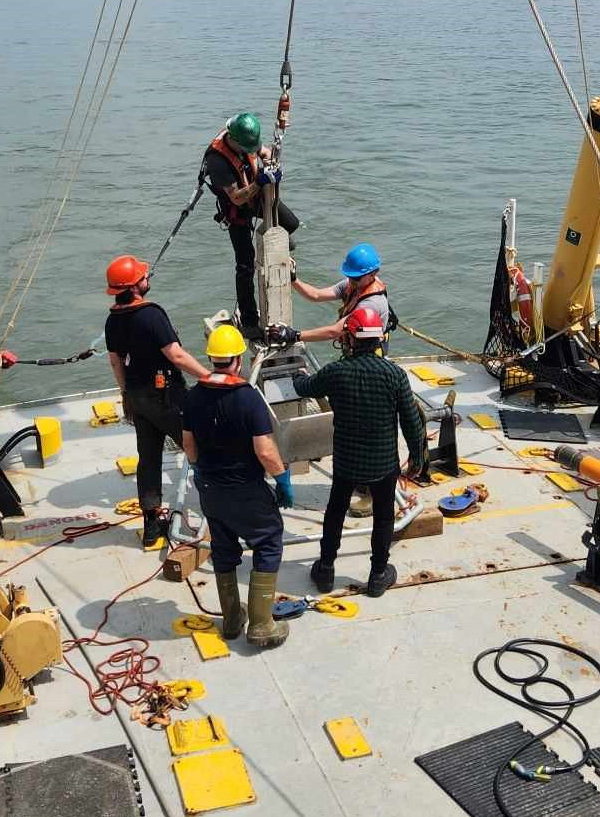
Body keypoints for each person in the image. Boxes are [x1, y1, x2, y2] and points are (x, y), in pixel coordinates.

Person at [291, 306, 426, 598]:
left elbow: (305, 387)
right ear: (379, 339)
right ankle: (378, 575)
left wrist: (297, 372)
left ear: (350, 339)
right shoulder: (395, 375)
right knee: (383, 517)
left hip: (346, 464)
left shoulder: (337, 372)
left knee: (336, 513)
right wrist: (417, 457)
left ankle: (325, 570)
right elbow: (412, 421)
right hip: (383, 464)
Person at [181, 324, 293, 649]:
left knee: (224, 547)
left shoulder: (193, 396)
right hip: (245, 487)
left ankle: (231, 619)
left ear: (213, 358)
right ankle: (260, 624)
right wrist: (283, 480)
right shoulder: (247, 398)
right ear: (238, 360)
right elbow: (264, 450)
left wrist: (200, 470)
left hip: (210, 489)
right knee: (269, 540)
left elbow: (189, 444)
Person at [102, 255, 210, 550]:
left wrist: (126, 394)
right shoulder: (151, 315)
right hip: (167, 397)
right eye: (144, 276)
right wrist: (209, 377)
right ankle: (217, 510)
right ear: (137, 286)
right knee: (198, 448)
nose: (148, 279)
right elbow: (176, 355)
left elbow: (115, 362)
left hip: (137, 398)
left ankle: (152, 525)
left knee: (148, 458)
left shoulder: (113, 320)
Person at [201, 112, 301, 342]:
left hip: (256, 196)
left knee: (291, 224)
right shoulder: (218, 161)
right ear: (235, 141)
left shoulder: (245, 140)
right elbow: (236, 197)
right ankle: (248, 321)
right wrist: (260, 182)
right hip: (237, 210)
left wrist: (271, 164)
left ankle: (282, 248)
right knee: (245, 264)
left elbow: (263, 152)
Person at [278, 243, 395, 350]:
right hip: (353, 349)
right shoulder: (354, 284)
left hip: (370, 355)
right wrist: (294, 279)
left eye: (356, 277)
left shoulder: (371, 304)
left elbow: (334, 331)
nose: (351, 280)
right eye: (349, 275)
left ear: (372, 274)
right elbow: (316, 295)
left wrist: (295, 335)